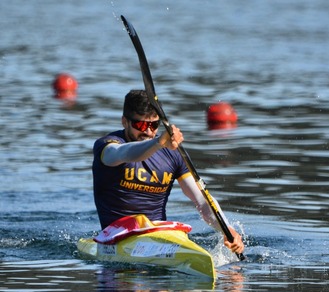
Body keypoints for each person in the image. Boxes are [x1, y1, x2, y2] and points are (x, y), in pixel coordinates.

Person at [92, 90, 244, 255]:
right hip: (116, 237)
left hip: (159, 236)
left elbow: (201, 200)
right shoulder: (107, 146)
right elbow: (124, 153)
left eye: (154, 125)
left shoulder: (173, 153)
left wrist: (226, 229)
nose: (148, 132)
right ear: (124, 122)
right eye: (141, 125)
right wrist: (158, 142)